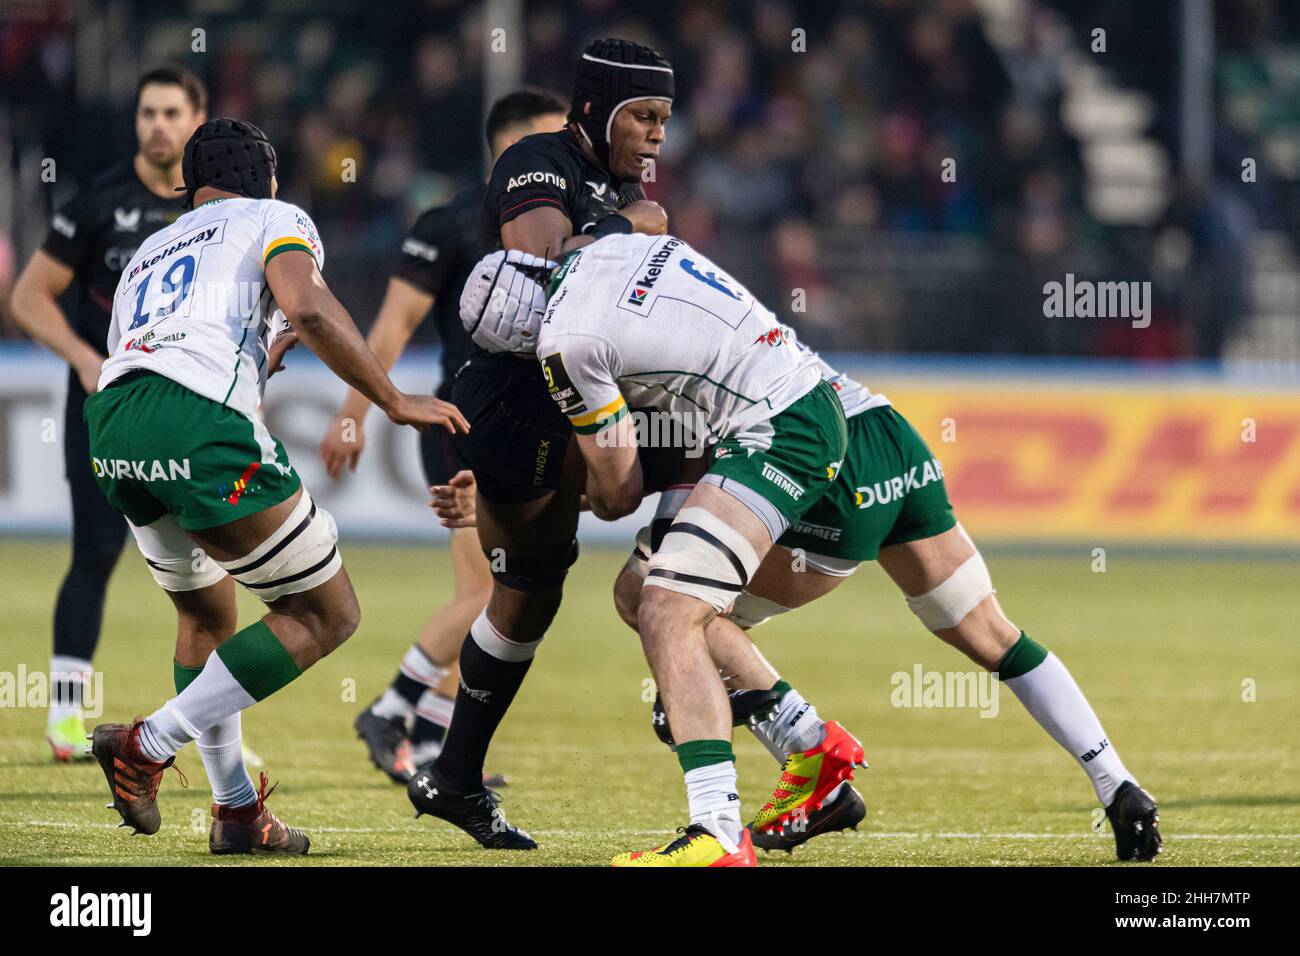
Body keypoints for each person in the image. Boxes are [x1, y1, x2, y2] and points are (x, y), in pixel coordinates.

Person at [609, 341, 1163, 863]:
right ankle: (1118, 784)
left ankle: (809, 748)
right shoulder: (679, 305)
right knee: (990, 632)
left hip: (815, 451)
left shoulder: (607, 342)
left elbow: (687, 453)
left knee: (660, 603)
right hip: (885, 431)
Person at [84, 118, 466, 855]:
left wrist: (256, 353)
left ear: (188, 187)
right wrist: (392, 399)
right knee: (327, 612)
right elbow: (311, 305)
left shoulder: (148, 252)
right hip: (193, 424)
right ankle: (148, 743)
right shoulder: (274, 217)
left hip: (115, 426)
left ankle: (235, 812)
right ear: (269, 178)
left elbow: (169, 342)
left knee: (204, 620)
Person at [451, 233, 857, 868]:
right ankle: (809, 741)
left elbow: (618, 494)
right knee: (640, 593)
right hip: (797, 400)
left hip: (775, 431)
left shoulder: (562, 345)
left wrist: (546, 487)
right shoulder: (612, 245)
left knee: (669, 611)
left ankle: (718, 832)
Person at [405, 38, 673, 851]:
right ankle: (697, 664)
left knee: (530, 593)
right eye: (646, 115)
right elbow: (540, 262)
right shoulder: (535, 160)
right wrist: (628, 226)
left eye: (665, 118)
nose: (659, 134)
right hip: (513, 404)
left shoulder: (620, 184)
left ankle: (454, 779)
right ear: (598, 109)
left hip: (569, 396)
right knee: (636, 487)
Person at [325, 89, 568, 784]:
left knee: (501, 593)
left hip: (530, 427)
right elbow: (392, 326)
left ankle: (430, 743)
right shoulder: (454, 222)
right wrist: (354, 412)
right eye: (549, 141)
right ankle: (394, 709)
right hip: (466, 422)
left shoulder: (566, 221)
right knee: (486, 594)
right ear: (513, 146)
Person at [10, 67, 205, 761]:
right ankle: (65, 717)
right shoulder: (99, 203)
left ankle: (206, 725)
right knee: (95, 552)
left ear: (197, 119)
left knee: (203, 566)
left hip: (189, 409)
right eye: (147, 111)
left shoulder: (215, 208)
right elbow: (28, 298)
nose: (158, 124)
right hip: (105, 406)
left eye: (171, 112)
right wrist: (83, 360)